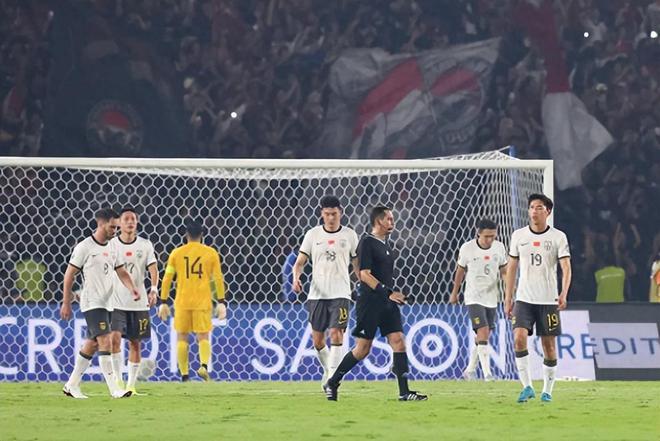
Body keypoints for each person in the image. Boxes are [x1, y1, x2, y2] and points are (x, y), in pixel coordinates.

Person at [323, 206, 427, 401]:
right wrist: (388, 293)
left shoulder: (386, 245)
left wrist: (393, 295)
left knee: (399, 341)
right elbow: (364, 275)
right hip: (370, 302)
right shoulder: (367, 243)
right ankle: (333, 381)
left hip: (386, 301)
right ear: (379, 221)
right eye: (389, 219)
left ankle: (404, 393)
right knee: (363, 349)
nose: (392, 222)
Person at [61, 208, 140, 399]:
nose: (115, 231)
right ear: (101, 224)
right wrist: (66, 302)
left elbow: (121, 271)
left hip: (108, 302)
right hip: (92, 301)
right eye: (112, 227)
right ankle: (115, 389)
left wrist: (132, 288)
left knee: (92, 344)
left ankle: (71, 385)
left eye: (116, 227)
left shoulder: (113, 247)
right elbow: (69, 274)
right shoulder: (85, 247)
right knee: (105, 340)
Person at [504, 194, 571, 403]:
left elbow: (566, 267)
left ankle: (547, 391)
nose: (534, 211)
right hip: (524, 299)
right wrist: (508, 297)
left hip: (548, 300)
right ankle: (527, 387)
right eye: (532, 207)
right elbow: (511, 268)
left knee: (548, 346)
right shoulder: (518, 236)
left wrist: (564, 293)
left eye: (539, 207)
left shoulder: (558, 237)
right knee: (518, 338)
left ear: (547, 212)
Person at [292, 196, 359, 388]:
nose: (331, 218)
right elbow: (299, 263)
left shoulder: (350, 235)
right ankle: (328, 370)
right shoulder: (312, 235)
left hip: (341, 293)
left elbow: (357, 264)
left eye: (334, 214)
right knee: (318, 340)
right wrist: (296, 278)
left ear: (341, 213)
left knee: (337, 334)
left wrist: (363, 282)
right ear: (322, 213)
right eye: (327, 214)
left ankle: (332, 378)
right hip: (317, 294)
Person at [158, 220, 227, 382]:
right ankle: (203, 365)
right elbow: (218, 278)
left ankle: (184, 375)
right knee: (203, 336)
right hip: (202, 301)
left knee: (182, 337)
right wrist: (221, 301)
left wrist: (163, 300)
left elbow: (167, 278)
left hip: (182, 301)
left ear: (186, 235)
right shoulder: (211, 253)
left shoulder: (176, 253)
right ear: (202, 235)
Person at [109, 207, 159, 394]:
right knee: (114, 339)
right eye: (126, 219)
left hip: (138, 303)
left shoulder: (145, 245)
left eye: (133, 219)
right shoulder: (112, 245)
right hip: (115, 301)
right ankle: (117, 382)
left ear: (137, 222)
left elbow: (153, 268)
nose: (130, 222)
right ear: (119, 223)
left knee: (135, 343)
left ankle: (131, 386)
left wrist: (153, 289)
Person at [450, 219, 507, 381]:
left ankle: (469, 370)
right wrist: (455, 292)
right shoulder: (467, 248)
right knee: (482, 331)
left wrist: (510, 288)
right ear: (478, 233)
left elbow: (504, 271)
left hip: (492, 298)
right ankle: (488, 375)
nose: (490, 240)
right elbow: (460, 271)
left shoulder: (499, 247)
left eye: (493, 236)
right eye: (487, 236)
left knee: (484, 336)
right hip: (473, 297)